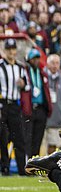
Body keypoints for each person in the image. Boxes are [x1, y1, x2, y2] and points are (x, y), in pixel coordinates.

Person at [0, 39, 28, 175]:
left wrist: (23, 84)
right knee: (3, 138)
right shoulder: (0, 66)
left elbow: (27, 86)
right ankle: (4, 168)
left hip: (15, 106)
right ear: (5, 51)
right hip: (3, 105)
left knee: (19, 138)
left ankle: (22, 169)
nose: (11, 52)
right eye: (9, 49)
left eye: (13, 49)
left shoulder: (20, 67)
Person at [22, 48, 52, 162]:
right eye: (33, 58)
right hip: (29, 109)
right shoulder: (24, 72)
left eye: (37, 58)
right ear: (29, 60)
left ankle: (35, 164)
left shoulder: (42, 73)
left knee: (37, 139)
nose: (36, 61)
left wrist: (48, 108)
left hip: (41, 109)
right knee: (27, 139)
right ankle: (28, 164)